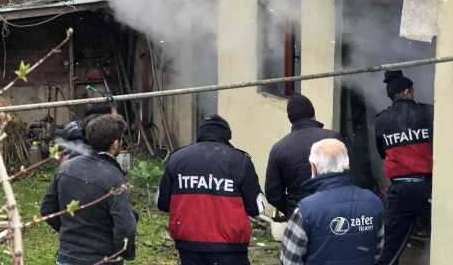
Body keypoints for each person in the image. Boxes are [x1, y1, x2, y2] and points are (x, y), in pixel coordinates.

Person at [157, 115, 264, 265]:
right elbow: (256, 208)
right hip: (230, 249)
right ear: (227, 137)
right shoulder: (240, 161)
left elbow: (162, 203)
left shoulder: (176, 158)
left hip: (188, 247)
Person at [41, 114, 137, 265]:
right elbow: (125, 226)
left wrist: (70, 233)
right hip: (102, 259)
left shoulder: (66, 167)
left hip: (68, 257)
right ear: (116, 144)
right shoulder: (114, 178)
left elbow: (47, 209)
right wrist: (124, 252)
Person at [280, 138, 384, 265]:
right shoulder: (373, 202)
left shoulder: (305, 210)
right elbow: (378, 252)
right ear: (347, 164)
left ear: (314, 167)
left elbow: (289, 260)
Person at [374, 70, 433, 265]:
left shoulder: (381, 120)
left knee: (390, 246)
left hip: (399, 190)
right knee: (444, 236)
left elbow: (383, 153)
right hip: (428, 188)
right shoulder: (428, 112)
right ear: (408, 91)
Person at [265, 93, 339, 219]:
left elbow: (273, 194)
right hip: (333, 213)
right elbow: (352, 176)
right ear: (313, 113)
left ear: (290, 119)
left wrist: (292, 210)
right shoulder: (334, 138)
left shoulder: (278, 148)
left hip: (299, 216)